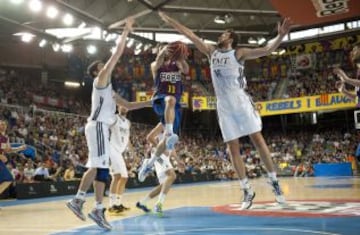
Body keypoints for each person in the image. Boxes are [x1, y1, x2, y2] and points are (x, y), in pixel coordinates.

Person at [158, 11, 291, 209]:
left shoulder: (239, 53)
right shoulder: (211, 51)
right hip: (223, 105)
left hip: (240, 100)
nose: (220, 36)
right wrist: (170, 20)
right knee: (232, 148)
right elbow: (190, 35)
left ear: (231, 38)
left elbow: (266, 50)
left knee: (258, 140)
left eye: (224, 34)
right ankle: (246, 189)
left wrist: (280, 36)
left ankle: (275, 183)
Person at [66, 18, 137, 230]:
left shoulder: (109, 90)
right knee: (101, 167)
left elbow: (129, 105)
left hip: (99, 128)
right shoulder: (100, 80)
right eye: (100, 65)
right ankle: (88, 205)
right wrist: (125, 30)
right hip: (97, 126)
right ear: (97, 71)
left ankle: (86, 204)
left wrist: (152, 101)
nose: (104, 66)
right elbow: (116, 54)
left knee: (98, 167)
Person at [138, 43, 189, 182]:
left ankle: (148, 164)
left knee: (166, 142)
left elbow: (186, 70)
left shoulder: (176, 64)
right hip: (160, 99)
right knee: (170, 100)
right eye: (162, 50)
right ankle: (169, 131)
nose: (167, 52)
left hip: (173, 106)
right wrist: (163, 50)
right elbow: (158, 60)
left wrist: (180, 56)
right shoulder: (156, 65)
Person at [107, 104, 150, 216]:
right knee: (117, 176)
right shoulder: (114, 118)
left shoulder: (128, 123)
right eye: (121, 106)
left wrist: (134, 154)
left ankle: (118, 203)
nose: (124, 107)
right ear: (118, 108)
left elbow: (127, 140)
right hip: (112, 149)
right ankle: (111, 205)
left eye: (126, 106)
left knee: (124, 177)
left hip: (119, 152)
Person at [136, 122, 184, 217]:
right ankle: (158, 205)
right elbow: (149, 137)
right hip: (158, 155)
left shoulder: (173, 127)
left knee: (163, 185)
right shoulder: (163, 124)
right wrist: (160, 148)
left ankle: (142, 202)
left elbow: (171, 148)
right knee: (172, 176)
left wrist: (178, 160)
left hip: (165, 157)